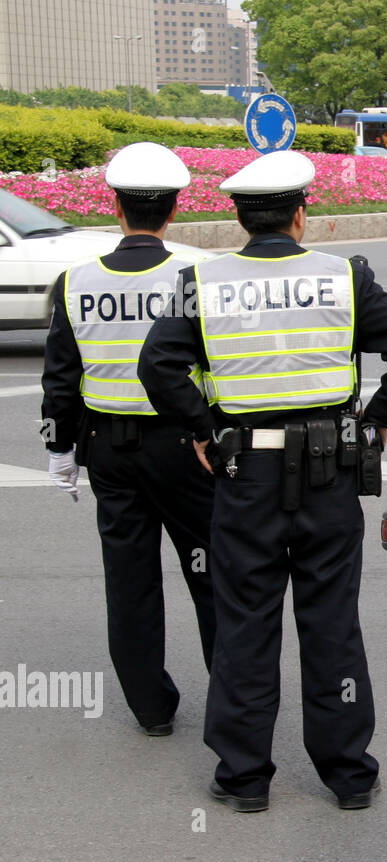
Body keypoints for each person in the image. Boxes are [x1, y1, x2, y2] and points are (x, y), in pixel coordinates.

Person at [138, 150, 387, 812]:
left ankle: (244, 776)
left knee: (245, 623)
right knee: (331, 623)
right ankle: (348, 772)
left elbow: (157, 366)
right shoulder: (344, 278)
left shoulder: (201, 281)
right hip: (330, 476)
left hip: (245, 475)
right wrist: (377, 420)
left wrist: (204, 428)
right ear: (302, 216)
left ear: (241, 219)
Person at [40, 142, 215, 737]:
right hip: (188, 451)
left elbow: (60, 380)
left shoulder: (75, 282)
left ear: (115, 207)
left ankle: (151, 708)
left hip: (110, 453)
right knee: (213, 574)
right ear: (174, 210)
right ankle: (233, 692)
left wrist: (59, 450)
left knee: (130, 580)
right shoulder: (194, 279)